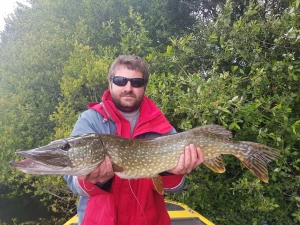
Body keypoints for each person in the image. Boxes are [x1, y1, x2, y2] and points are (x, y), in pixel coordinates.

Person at [64, 55, 204, 225]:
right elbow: (72, 179)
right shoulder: (90, 120)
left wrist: (171, 172)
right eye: (120, 80)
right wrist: (96, 181)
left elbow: (174, 188)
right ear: (110, 83)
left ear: (144, 86)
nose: (128, 87)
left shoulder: (162, 126)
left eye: (136, 82)